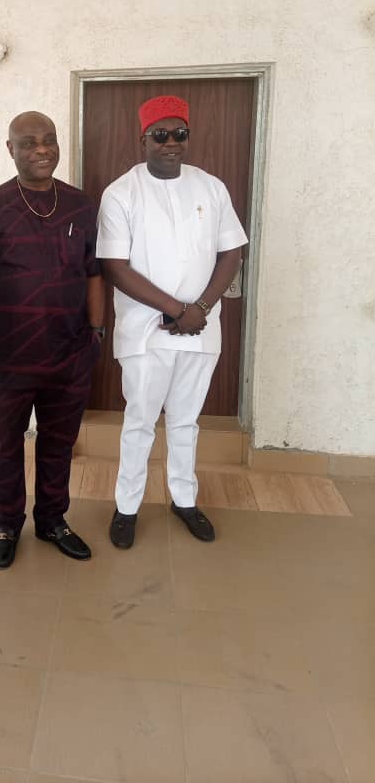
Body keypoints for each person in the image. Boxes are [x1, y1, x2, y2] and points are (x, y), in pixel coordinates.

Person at [97, 95, 248, 548]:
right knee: (140, 422)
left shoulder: (211, 187)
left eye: (179, 134)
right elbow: (115, 267)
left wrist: (199, 308)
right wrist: (178, 310)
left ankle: (184, 499)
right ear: (142, 139)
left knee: (186, 421)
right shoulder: (121, 193)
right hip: (147, 332)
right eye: (160, 135)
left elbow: (231, 252)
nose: (171, 143)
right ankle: (127, 507)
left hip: (200, 330)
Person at [0, 111, 105, 568]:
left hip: (70, 351)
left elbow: (94, 272)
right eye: (28, 143)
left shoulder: (81, 206)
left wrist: (97, 330)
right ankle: (7, 523)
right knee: (5, 446)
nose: (41, 149)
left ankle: (52, 520)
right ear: (11, 150)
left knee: (58, 444)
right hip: (8, 355)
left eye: (48, 140)